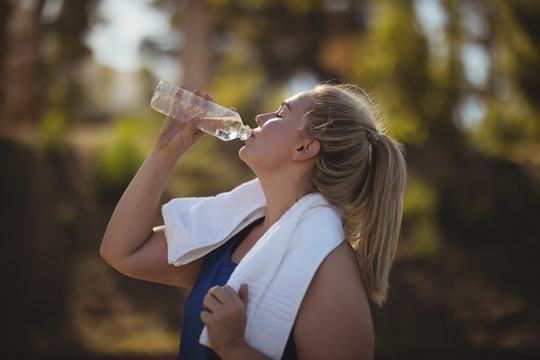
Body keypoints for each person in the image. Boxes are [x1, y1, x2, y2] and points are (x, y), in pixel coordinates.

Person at [100, 82, 407, 360]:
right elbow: (122, 252)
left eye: (280, 113)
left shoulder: (329, 266)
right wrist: (163, 153)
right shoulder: (231, 234)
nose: (260, 117)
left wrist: (235, 348)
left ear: (305, 148)